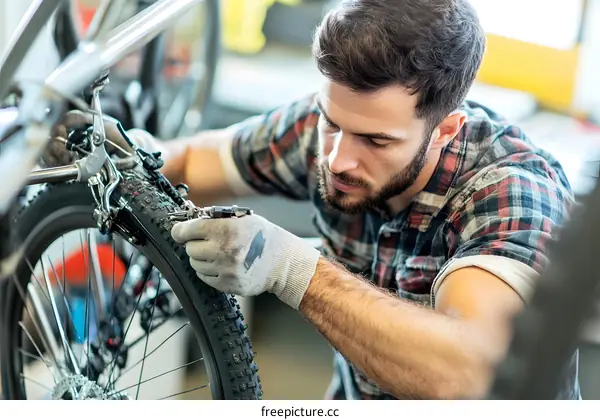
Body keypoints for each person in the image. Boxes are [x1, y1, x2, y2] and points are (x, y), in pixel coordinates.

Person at [42, 0, 579, 400]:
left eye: (376, 142)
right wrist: (127, 150)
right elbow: (191, 164)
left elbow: (469, 375)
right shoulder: (331, 130)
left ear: (446, 130)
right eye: (331, 121)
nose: (338, 159)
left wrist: (294, 269)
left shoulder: (511, 191)